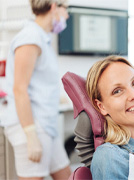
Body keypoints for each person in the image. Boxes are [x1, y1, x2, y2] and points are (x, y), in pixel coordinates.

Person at [3, 0, 71, 179]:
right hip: (31, 125)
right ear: (54, 7)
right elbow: (19, 89)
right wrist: (31, 135)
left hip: (46, 124)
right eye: (66, 9)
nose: (67, 15)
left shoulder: (42, 38)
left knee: (66, 175)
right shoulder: (30, 38)